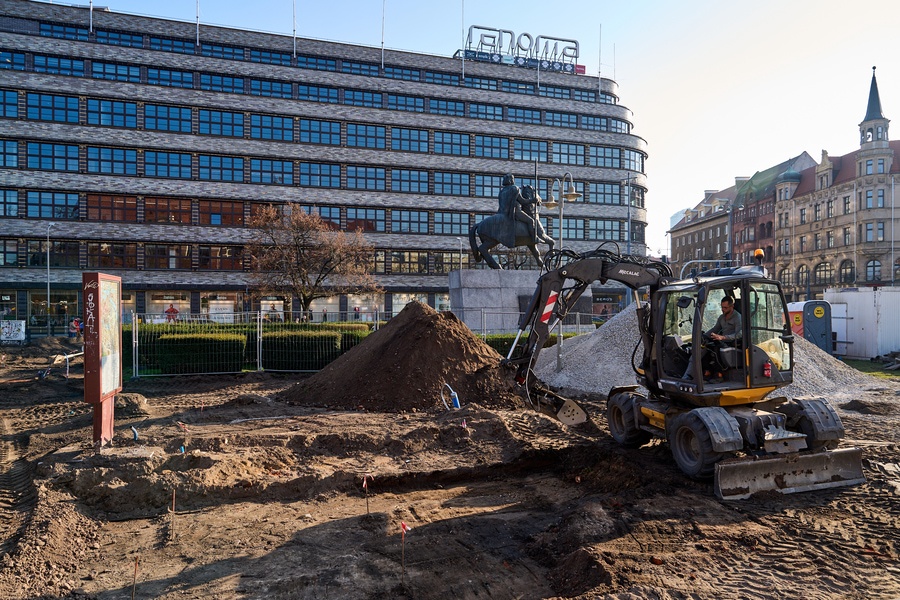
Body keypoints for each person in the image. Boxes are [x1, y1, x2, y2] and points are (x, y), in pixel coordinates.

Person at [682, 296, 742, 380]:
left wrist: (723, 337)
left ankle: (719, 374)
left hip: (732, 342)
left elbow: (739, 334)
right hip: (721, 340)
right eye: (722, 307)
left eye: (725, 307)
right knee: (705, 346)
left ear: (732, 306)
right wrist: (703, 336)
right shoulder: (722, 317)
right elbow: (715, 329)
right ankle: (704, 372)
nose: (722, 309)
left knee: (716, 348)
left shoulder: (738, 317)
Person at [497, 174, 536, 239]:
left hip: (501, 212)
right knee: (531, 221)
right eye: (512, 179)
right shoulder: (514, 188)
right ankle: (534, 238)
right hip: (515, 212)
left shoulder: (502, 191)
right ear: (510, 180)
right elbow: (523, 201)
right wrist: (532, 200)